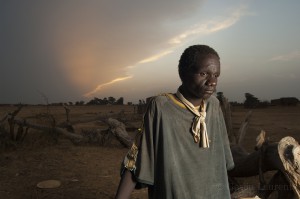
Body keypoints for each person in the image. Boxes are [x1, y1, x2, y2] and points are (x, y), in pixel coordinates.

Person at [115, 44, 234, 199]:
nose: (212, 81)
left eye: (216, 75)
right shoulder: (162, 107)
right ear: (183, 73)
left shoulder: (214, 106)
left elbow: (221, 162)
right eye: (203, 73)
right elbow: (137, 159)